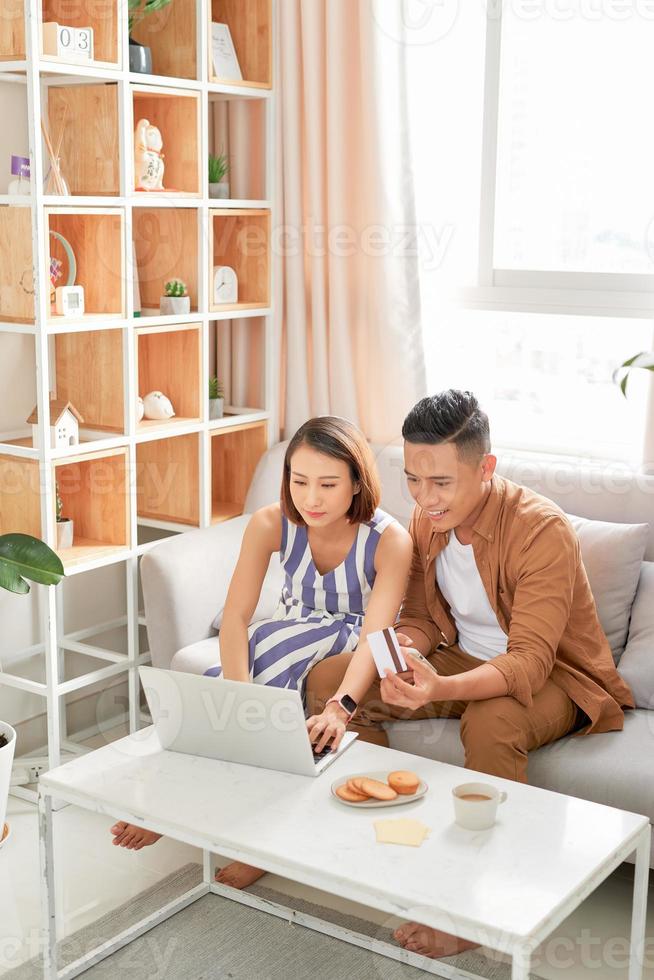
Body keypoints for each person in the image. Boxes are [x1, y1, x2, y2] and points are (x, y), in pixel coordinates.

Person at [305, 389, 635, 960]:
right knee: (330, 681)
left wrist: (441, 687)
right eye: (412, 479)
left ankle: (477, 909)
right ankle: (391, 841)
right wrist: (404, 654)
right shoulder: (429, 518)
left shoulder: (541, 530)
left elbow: (529, 660)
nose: (425, 498)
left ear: (486, 468)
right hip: (461, 659)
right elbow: (422, 619)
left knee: (492, 720)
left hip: (557, 676)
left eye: (440, 482)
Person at [110, 415, 412, 889]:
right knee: (225, 678)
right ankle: (184, 805)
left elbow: (378, 634)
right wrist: (238, 692)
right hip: (289, 629)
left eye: (328, 484)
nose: (311, 498)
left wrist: (340, 706)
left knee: (276, 677)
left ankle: (241, 833)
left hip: (353, 639)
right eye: (299, 481)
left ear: (357, 483)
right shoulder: (272, 521)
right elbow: (234, 617)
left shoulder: (390, 539)